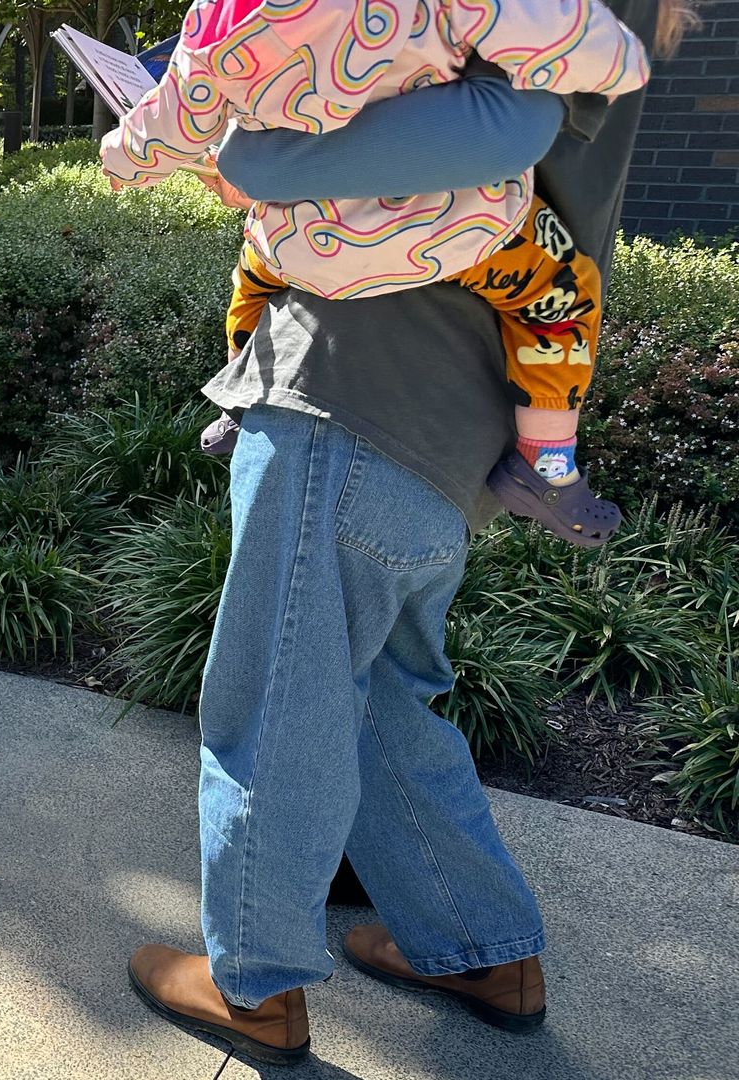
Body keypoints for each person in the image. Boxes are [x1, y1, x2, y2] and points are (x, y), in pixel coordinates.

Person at [120, 0, 689, 1064]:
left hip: (354, 396)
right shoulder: (585, 36)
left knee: (275, 710)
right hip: (450, 422)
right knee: (380, 695)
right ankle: (478, 944)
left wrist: (229, 140)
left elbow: (299, 160)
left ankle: (255, 984)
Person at [102, 0, 650, 548]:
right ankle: (548, 464)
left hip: (299, 241)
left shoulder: (212, 17)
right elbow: (552, 33)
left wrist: (121, 158)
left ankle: (238, 400)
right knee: (562, 298)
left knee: (249, 283)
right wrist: (625, 61)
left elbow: (167, 124)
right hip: (453, 230)